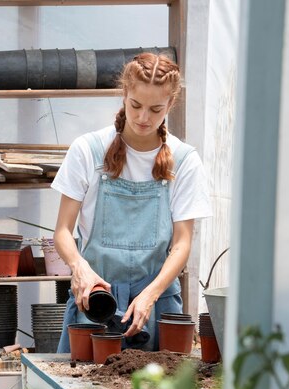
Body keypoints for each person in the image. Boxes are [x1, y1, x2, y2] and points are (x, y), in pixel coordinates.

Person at [52, 52, 211, 352]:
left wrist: (150, 294)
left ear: (171, 105)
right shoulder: (88, 150)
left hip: (156, 305)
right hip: (96, 302)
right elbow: (62, 231)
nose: (142, 117)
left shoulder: (184, 160)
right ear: (124, 94)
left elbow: (182, 244)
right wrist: (79, 268)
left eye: (155, 109)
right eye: (136, 105)